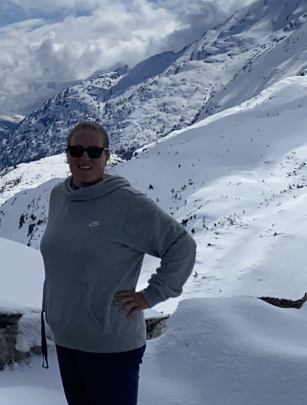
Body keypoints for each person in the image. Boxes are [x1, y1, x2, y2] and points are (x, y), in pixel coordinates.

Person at [40, 121, 197, 405]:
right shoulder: (59, 197)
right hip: (67, 339)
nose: (84, 158)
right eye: (76, 150)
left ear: (107, 156)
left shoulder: (127, 203)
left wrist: (152, 295)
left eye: (93, 151)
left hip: (110, 345)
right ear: (66, 155)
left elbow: (182, 245)